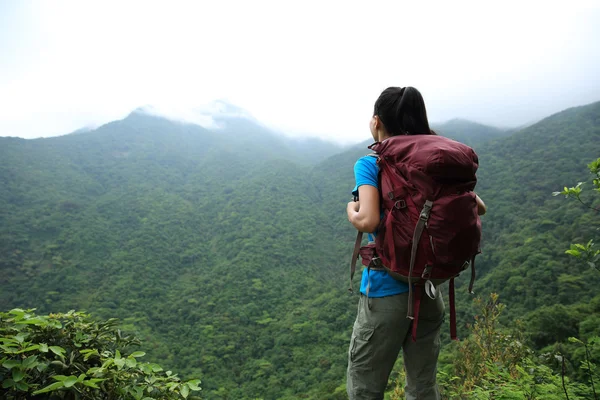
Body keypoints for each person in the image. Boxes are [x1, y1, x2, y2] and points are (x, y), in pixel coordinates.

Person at [345, 86, 486, 400]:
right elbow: (479, 207)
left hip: (386, 294)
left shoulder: (371, 164)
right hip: (428, 292)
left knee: (364, 389)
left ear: (377, 122)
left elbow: (368, 221)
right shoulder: (434, 165)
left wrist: (351, 210)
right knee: (423, 388)